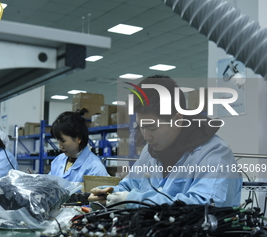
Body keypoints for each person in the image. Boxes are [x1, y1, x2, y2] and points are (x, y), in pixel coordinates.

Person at [89, 75, 242, 208]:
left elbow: (205, 207)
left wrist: (135, 201)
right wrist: (108, 194)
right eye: (141, 127)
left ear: (178, 119)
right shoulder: (149, 153)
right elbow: (129, 185)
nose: (146, 136)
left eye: (152, 128)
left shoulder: (214, 154)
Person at [48, 109, 109, 183]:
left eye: (63, 141)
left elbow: (99, 193)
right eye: (58, 141)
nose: (60, 146)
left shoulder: (94, 168)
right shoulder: (58, 160)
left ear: (78, 138)